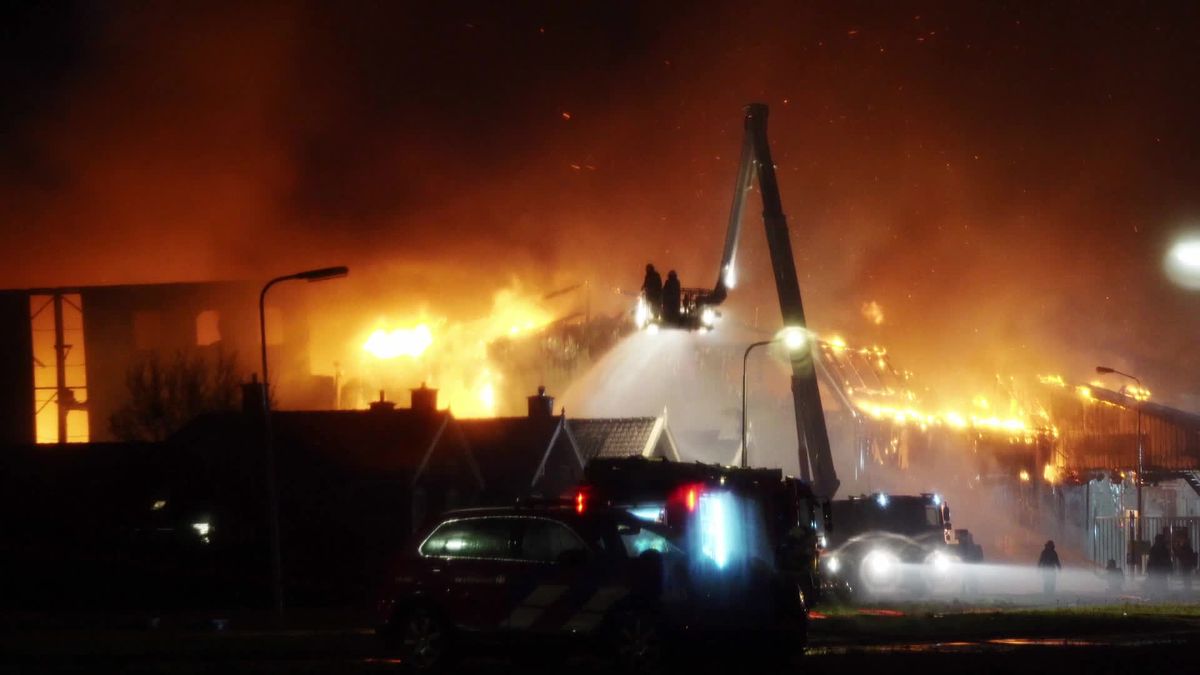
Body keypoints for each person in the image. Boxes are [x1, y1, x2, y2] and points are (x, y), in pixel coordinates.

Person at [1146, 533, 1172, 597]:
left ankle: (1159, 595)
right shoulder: (1162, 549)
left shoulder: (1155, 549)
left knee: (1159, 583)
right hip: (1158, 570)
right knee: (1159, 583)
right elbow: (1151, 560)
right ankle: (1159, 595)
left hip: (1158, 570)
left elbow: (1151, 560)